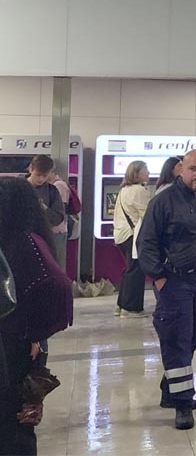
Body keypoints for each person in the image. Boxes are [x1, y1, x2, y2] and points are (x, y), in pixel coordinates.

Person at [136, 149, 196, 430]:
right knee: (177, 338)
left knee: (194, 334)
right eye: (193, 169)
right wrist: (160, 277)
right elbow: (146, 242)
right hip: (175, 282)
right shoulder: (163, 201)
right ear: (181, 170)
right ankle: (183, 403)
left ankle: (171, 387)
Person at [0, 177, 74, 455]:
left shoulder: (25, 242)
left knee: (16, 419)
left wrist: (36, 333)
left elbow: (57, 285)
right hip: (16, 340)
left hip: (17, 346)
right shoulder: (19, 239)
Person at [113, 160, 152, 317]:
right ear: (136, 173)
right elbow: (147, 214)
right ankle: (131, 307)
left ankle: (122, 304)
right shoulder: (138, 190)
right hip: (133, 234)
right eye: (145, 170)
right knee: (136, 270)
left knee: (129, 269)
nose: (148, 173)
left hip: (122, 234)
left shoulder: (124, 189)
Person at [25, 155, 66, 269]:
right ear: (30, 169)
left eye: (45, 175)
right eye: (38, 175)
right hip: (21, 239)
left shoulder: (52, 191)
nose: (41, 179)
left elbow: (58, 218)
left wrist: (43, 207)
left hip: (44, 239)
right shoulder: (16, 187)